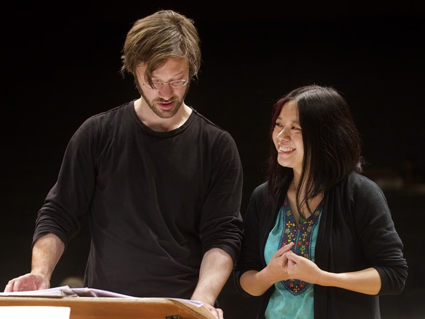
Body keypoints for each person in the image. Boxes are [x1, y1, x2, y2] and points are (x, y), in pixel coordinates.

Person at [5, 10, 243, 319]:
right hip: (105, 306)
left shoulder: (216, 146)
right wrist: (41, 271)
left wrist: (200, 302)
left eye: (177, 81)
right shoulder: (98, 133)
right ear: (133, 71)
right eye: (154, 82)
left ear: (192, 70)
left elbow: (223, 235)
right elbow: (59, 212)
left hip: (176, 309)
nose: (167, 93)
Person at [233, 85, 407, 318]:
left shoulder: (361, 194)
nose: (281, 136)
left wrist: (322, 278)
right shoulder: (263, 196)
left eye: (295, 128)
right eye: (278, 125)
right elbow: (245, 281)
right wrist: (270, 275)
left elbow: (394, 275)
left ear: (326, 136)